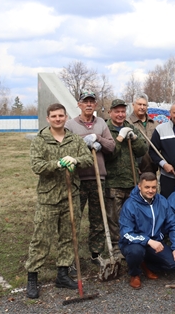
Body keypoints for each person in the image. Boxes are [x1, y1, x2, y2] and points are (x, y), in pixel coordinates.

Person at [25, 103, 93, 299]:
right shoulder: (41, 140)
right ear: (48, 118)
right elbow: (36, 165)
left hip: (71, 195)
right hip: (49, 197)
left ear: (65, 117)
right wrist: (57, 164)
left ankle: (62, 274)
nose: (58, 119)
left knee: (69, 236)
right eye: (54, 116)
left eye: (61, 116)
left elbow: (88, 159)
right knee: (41, 239)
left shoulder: (74, 139)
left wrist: (75, 161)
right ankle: (33, 276)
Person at [65, 89, 115, 264]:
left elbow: (111, 146)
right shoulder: (70, 125)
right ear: (79, 104)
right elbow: (65, 149)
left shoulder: (101, 123)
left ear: (95, 105)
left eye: (91, 102)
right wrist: (83, 142)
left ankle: (96, 253)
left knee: (98, 218)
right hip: (78, 178)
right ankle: (70, 257)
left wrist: (99, 139)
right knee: (73, 218)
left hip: (97, 177)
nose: (88, 104)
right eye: (85, 101)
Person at [119, 172, 175, 289]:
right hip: (134, 243)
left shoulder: (162, 201)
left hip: (155, 243)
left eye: (153, 187)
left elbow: (173, 225)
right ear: (139, 186)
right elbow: (126, 233)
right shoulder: (130, 204)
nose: (151, 191)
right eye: (147, 187)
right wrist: (148, 241)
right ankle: (135, 273)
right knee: (136, 252)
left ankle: (145, 264)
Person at [104, 99, 148, 258]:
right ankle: (116, 245)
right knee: (114, 216)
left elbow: (143, 150)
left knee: (132, 214)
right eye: (117, 111)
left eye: (123, 111)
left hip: (131, 180)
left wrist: (134, 139)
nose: (120, 114)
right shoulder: (106, 129)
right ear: (110, 112)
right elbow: (109, 154)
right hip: (113, 181)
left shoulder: (130, 127)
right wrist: (120, 138)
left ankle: (132, 240)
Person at [130, 93, 158, 174]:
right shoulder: (127, 123)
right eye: (139, 104)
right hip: (135, 170)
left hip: (152, 168)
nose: (142, 107)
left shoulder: (154, 124)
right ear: (133, 105)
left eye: (144, 105)